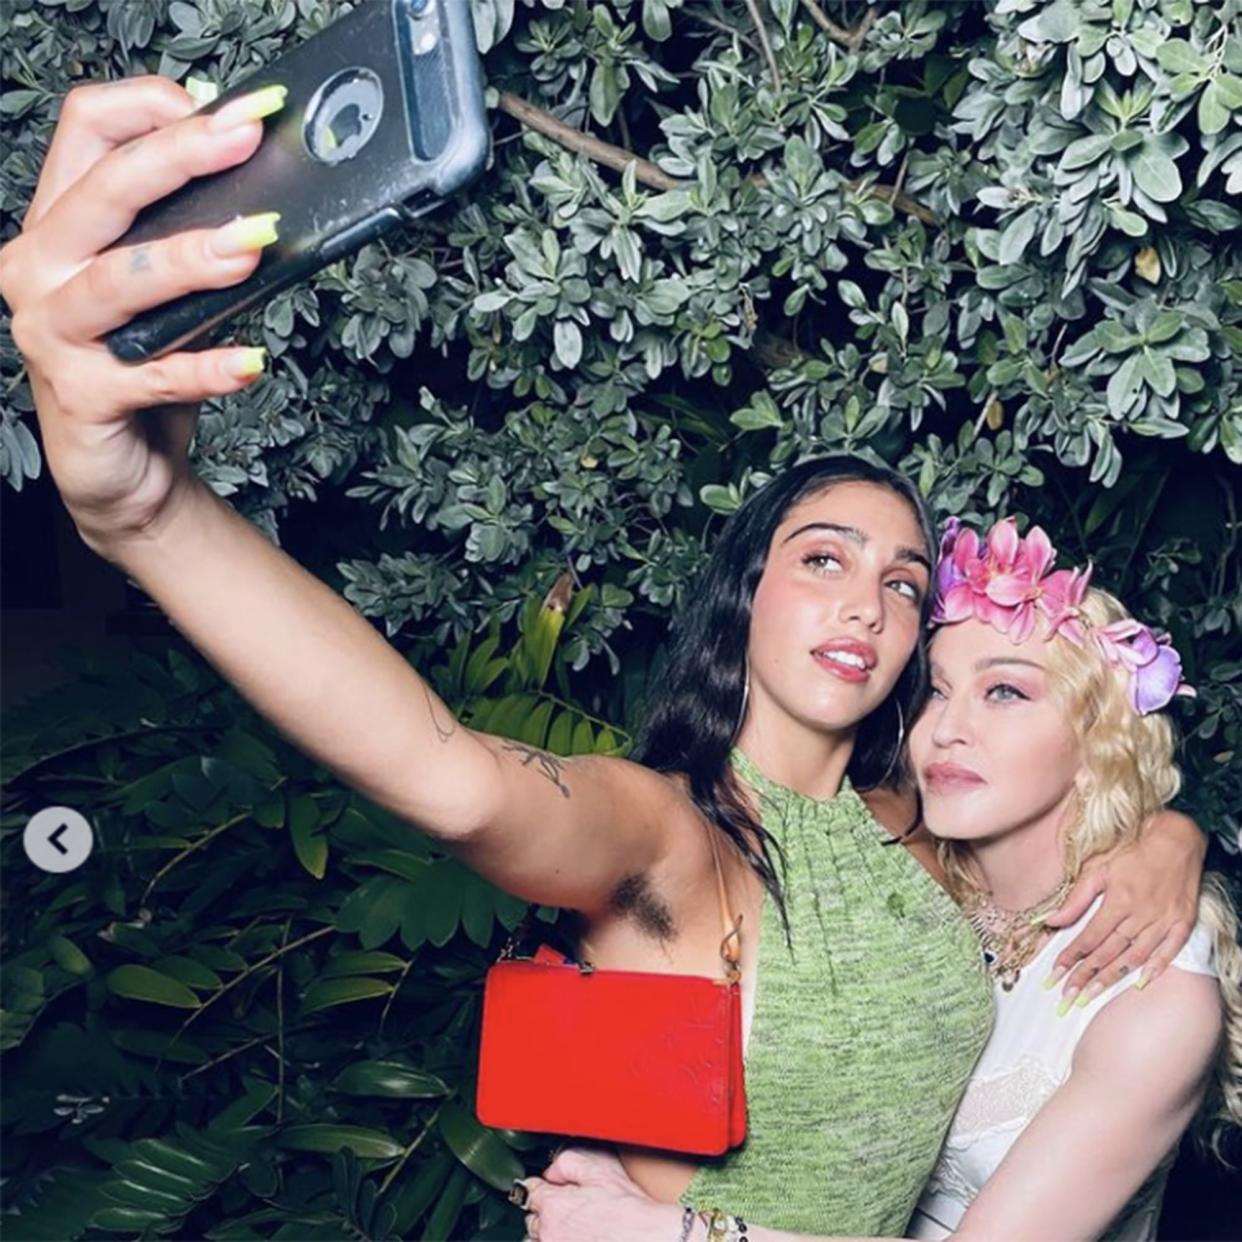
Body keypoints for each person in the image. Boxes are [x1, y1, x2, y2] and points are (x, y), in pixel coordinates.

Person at [0, 75, 1209, 1237]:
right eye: (825, 560)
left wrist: (1174, 839)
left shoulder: (915, 830)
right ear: (748, 595)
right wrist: (148, 516)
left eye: (903, 582)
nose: (870, 605)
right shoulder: (669, 833)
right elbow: (454, 775)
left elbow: (1065, 843)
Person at [519, 517, 1240, 1242]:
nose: (948, 729)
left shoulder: (1158, 1001)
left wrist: (667, 1232)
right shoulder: (910, 876)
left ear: (1101, 737)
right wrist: (613, 1160)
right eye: (935, 691)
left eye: (1006, 694)